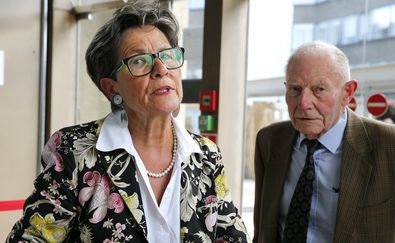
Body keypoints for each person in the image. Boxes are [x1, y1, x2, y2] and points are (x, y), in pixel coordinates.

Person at [7, 1, 251, 242]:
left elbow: (233, 237)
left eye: (167, 55)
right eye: (139, 60)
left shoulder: (206, 155)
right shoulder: (74, 151)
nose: (161, 69)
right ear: (111, 87)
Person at [253, 41, 395, 243]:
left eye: (319, 89)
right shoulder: (270, 140)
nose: (304, 103)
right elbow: (262, 231)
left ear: (347, 92)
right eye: (295, 89)